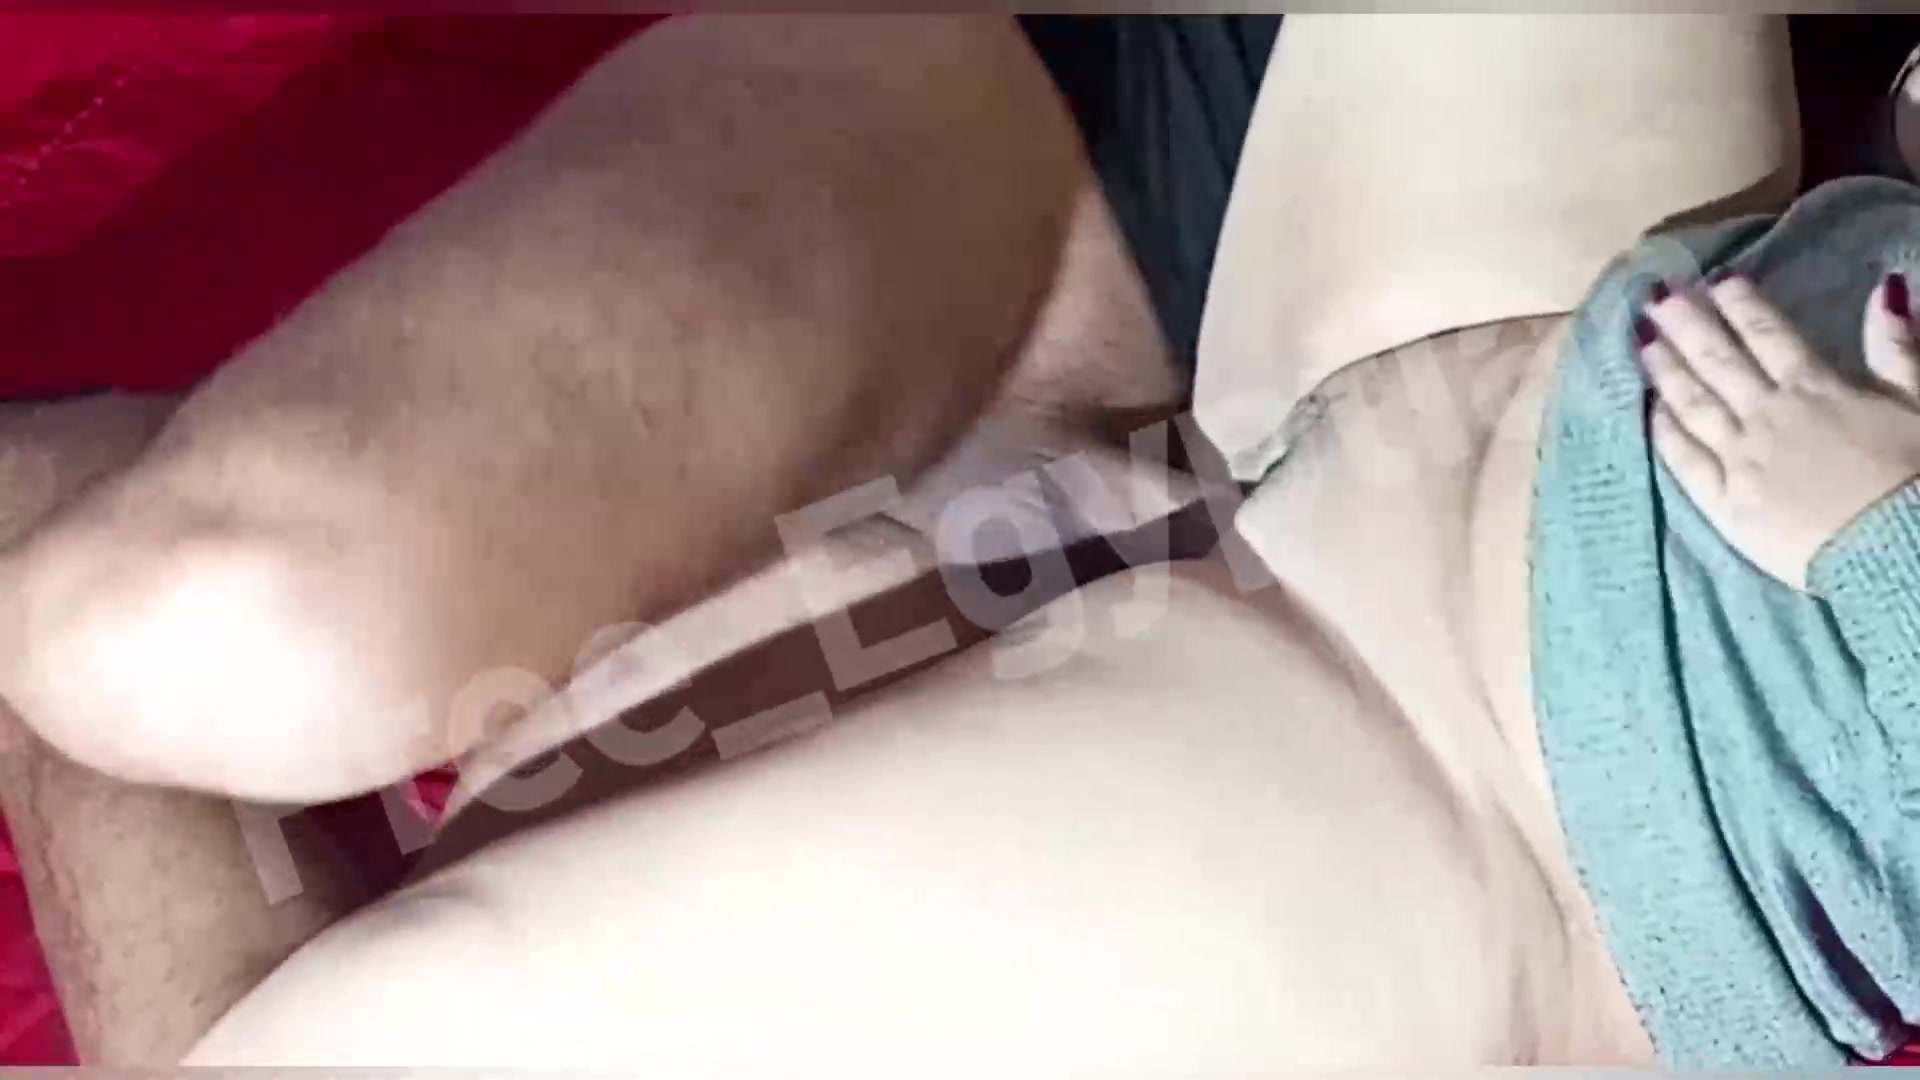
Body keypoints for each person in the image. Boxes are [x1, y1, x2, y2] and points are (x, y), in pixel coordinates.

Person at [1, 10, 1910, 1071]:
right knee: (200, 640)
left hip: (1480, 754)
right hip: (1506, 323)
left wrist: (1883, 543)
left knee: (212, 703)